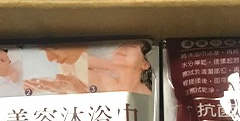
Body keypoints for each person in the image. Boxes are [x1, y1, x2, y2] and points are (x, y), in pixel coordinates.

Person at [23, 41, 153, 95]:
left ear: (145, 64)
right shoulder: (97, 76)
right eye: (120, 46)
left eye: (131, 47)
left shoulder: (146, 94)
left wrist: (77, 90)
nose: (122, 49)